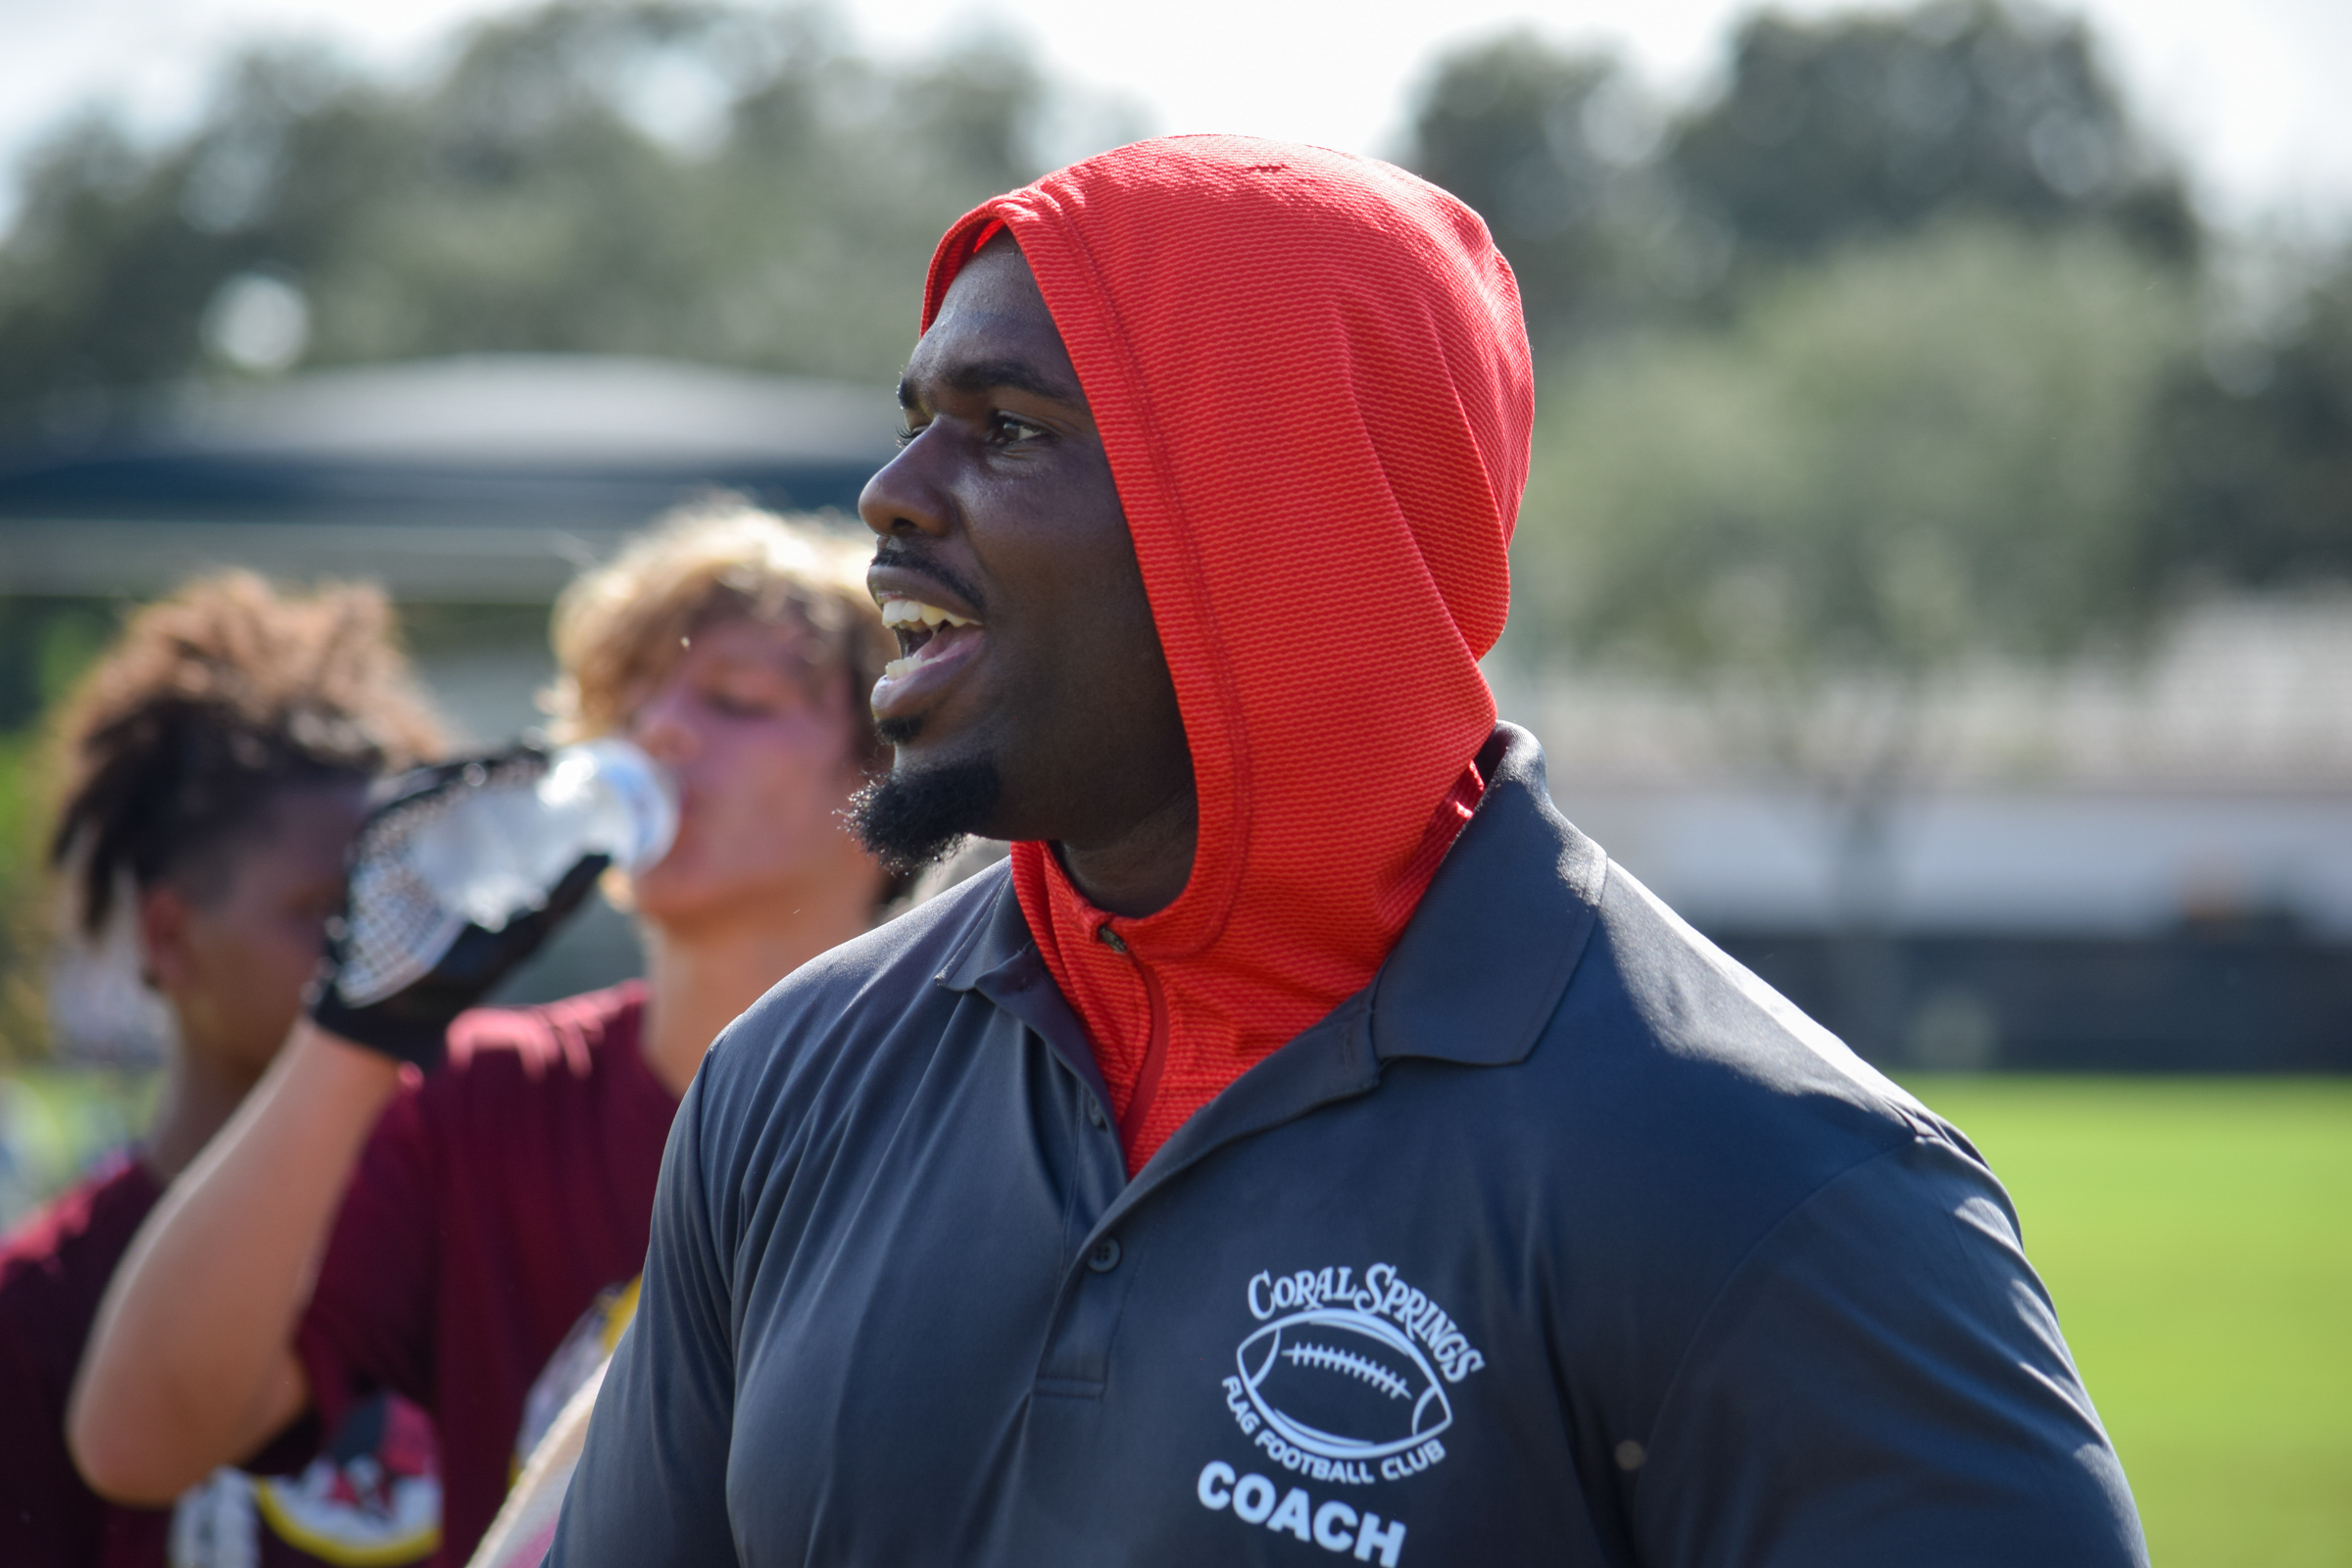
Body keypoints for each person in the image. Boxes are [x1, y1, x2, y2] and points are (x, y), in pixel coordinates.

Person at [547, 137, 2149, 1567]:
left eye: (1010, 429)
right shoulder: (792, 1083)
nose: (892, 497)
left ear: (1278, 520)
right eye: (917, 425)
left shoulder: (1774, 1187)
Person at [71, 504, 901, 1568]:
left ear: (887, 781)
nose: (658, 731)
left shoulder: (960, 1101)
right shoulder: (488, 1098)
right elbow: (136, 1441)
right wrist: (357, 1023)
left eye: (737, 700)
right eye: (627, 702)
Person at [1, 572, 447, 1567]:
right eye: (325, 912)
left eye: (407, 905)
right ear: (169, 936)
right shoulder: (35, 1311)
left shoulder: (464, 1231)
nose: (384, 951)